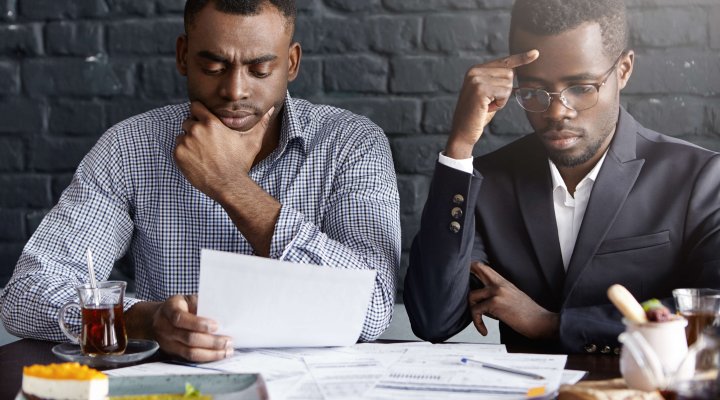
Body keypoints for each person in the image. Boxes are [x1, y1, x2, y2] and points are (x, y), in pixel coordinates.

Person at [0, 0, 400, 362]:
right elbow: (24, 295)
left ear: (291, 63)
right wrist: (146, 320)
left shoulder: (351, 145)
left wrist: (230, 185)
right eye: (213, 67)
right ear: (183, 56)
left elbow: (374, 306)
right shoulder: (130, 148)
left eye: (260, 70)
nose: (235, 91)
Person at [404, 0, 720, 353]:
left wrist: (552, 324)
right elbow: (434, 319)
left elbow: (712, 315)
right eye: (533, 91)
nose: (556, 112)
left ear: (624, 69)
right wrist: (460, 147)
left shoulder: (699, 179)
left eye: (582, 88)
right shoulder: (488, 183)